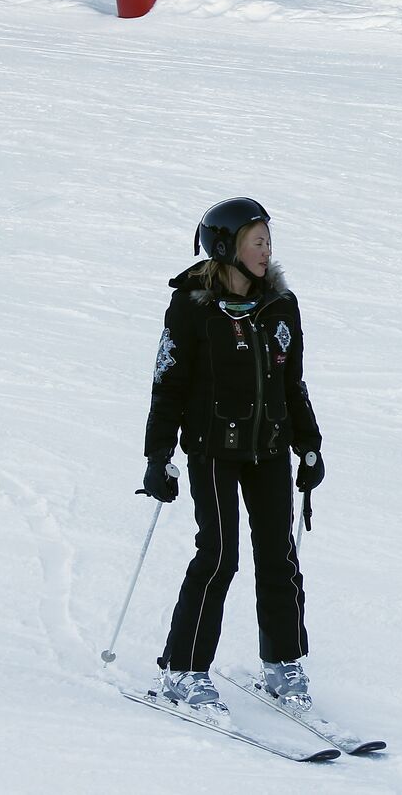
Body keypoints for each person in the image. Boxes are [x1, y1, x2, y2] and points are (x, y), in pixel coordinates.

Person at [141, 197, 326, 713]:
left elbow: (293, 383)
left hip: (268, 449)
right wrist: (158, 454)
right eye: (256, 241)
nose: (266, 251)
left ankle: (283, 663)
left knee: (278, 557)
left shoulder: (280, 306)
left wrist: (308, 446)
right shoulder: (192, 306)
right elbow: (168, 382)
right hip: (211, 450)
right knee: (219, 557)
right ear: (227, 247)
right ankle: (184, 670)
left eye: (269, 241)